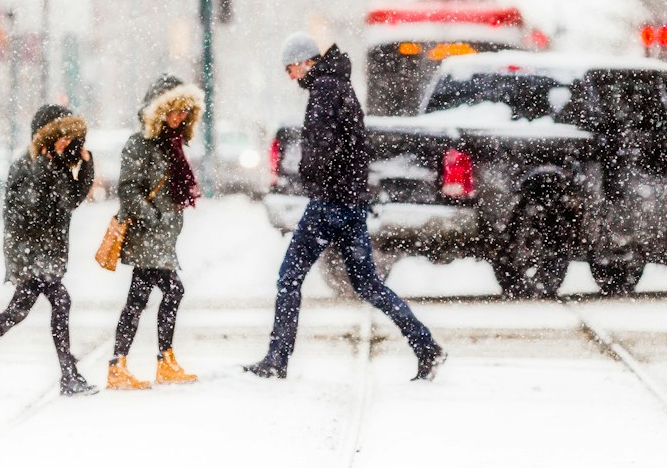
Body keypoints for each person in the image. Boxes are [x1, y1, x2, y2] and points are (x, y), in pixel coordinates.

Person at [245, 33, 446, 381]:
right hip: (350, 203)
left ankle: (277, 360)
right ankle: (425, 345)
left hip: (329, 203)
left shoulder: (324, 91)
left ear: (306, 61)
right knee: (369, 285)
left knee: (288, 279)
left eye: (291, 68)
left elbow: (323, 150)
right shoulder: (341, 87)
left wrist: (308, 172)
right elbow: (351, 147)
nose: (291, 76)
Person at [0, 104, 99, 396]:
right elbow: (27, 212)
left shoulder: (56, 164)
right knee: (60, 301)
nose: (66, 141)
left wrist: (86, 164)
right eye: (61, 135)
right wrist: (46, 173)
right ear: (46, 135)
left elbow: (71, 200)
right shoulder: (27, 164)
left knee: (17, 311)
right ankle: (69, 375)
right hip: (29, 253)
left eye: (69, 136)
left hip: (45, 253)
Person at [106, 75, 204, 391]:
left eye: (184, 112)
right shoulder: (141, 143)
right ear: (158, 110)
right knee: (169, 292)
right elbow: (128, 190)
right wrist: (155, 217)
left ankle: (129, 363)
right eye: (174, 111)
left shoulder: (171, 143)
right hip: (147, 236)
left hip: (161, 238)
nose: (179, 117)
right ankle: (154, 361)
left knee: (139, 299)